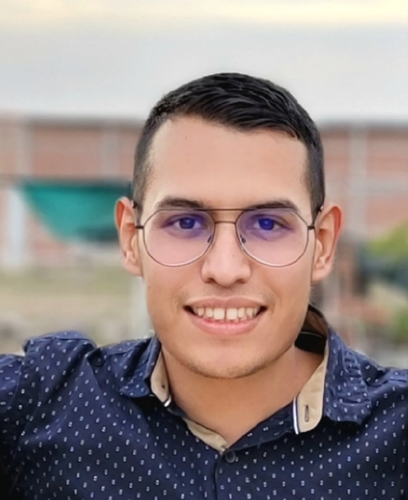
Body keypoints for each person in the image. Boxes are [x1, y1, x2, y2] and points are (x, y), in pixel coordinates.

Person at [0, 73, 407, 500]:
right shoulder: (41, 406)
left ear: (321, 244)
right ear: (131, 238)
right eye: (185, 223)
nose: (225, 269)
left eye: (268, 224)